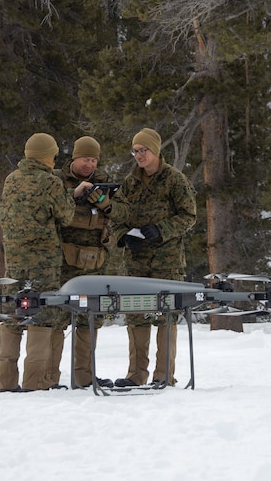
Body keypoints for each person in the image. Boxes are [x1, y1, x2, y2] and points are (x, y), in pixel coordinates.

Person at [0, 132, 92, 392]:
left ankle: (6, 380)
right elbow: (64, 215)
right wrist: (74, 195)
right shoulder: (49, 182)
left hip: (14, 261)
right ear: (48, 156)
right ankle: (35, 381)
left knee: (13, 315)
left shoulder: (11, 179)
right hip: (43, 261)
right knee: (43, 317)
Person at [107, 127, 196, 388]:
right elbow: (117, 216)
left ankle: (164, 375)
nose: (138, 155)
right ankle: (136, 375)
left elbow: (189, 217)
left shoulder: (174, 180)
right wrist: (123, 236)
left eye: (143, 150)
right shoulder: (130, 183)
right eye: (135, 151)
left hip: (166, 262)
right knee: (136, 316)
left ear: (155, 150)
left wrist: (161, 230)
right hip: (136, 263)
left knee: (166, 316)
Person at [55, 135, 117, 389]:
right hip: (64, 262)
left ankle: (84, 376)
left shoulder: (103, 182)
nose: (89, 165)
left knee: (92, 317)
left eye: (93, 160)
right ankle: (48, 376)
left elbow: (119, 212)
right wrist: (73, 195)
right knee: (58, 316)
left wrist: (103, 201)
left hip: (96, 262)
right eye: (85, 159)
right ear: (74, 158)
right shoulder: (57, 180)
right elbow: (50, 208)